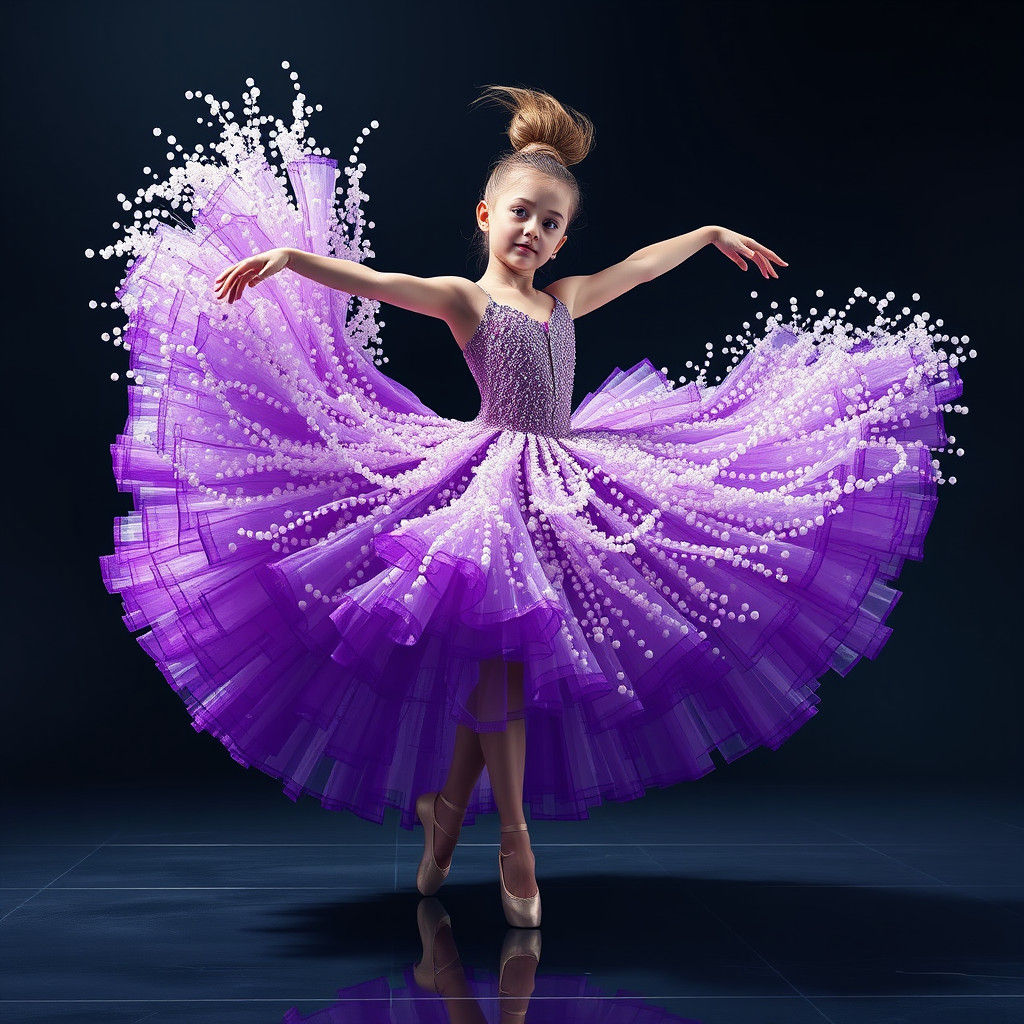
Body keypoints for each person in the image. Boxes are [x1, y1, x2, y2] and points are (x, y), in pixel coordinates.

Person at [99, 73, 968, 930]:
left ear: (560, 240)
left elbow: (634, 268)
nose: (535, 231)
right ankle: (513, 838)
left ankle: (448, 811)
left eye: (551, 224)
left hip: (571, 480)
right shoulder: (465, 299)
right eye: (522, 213)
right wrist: (292, 258)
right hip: (489, 488)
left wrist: (704, 234)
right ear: (487, 216)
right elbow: (377, 280)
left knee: (503, 667)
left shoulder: (563, 300)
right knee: (502, 667)